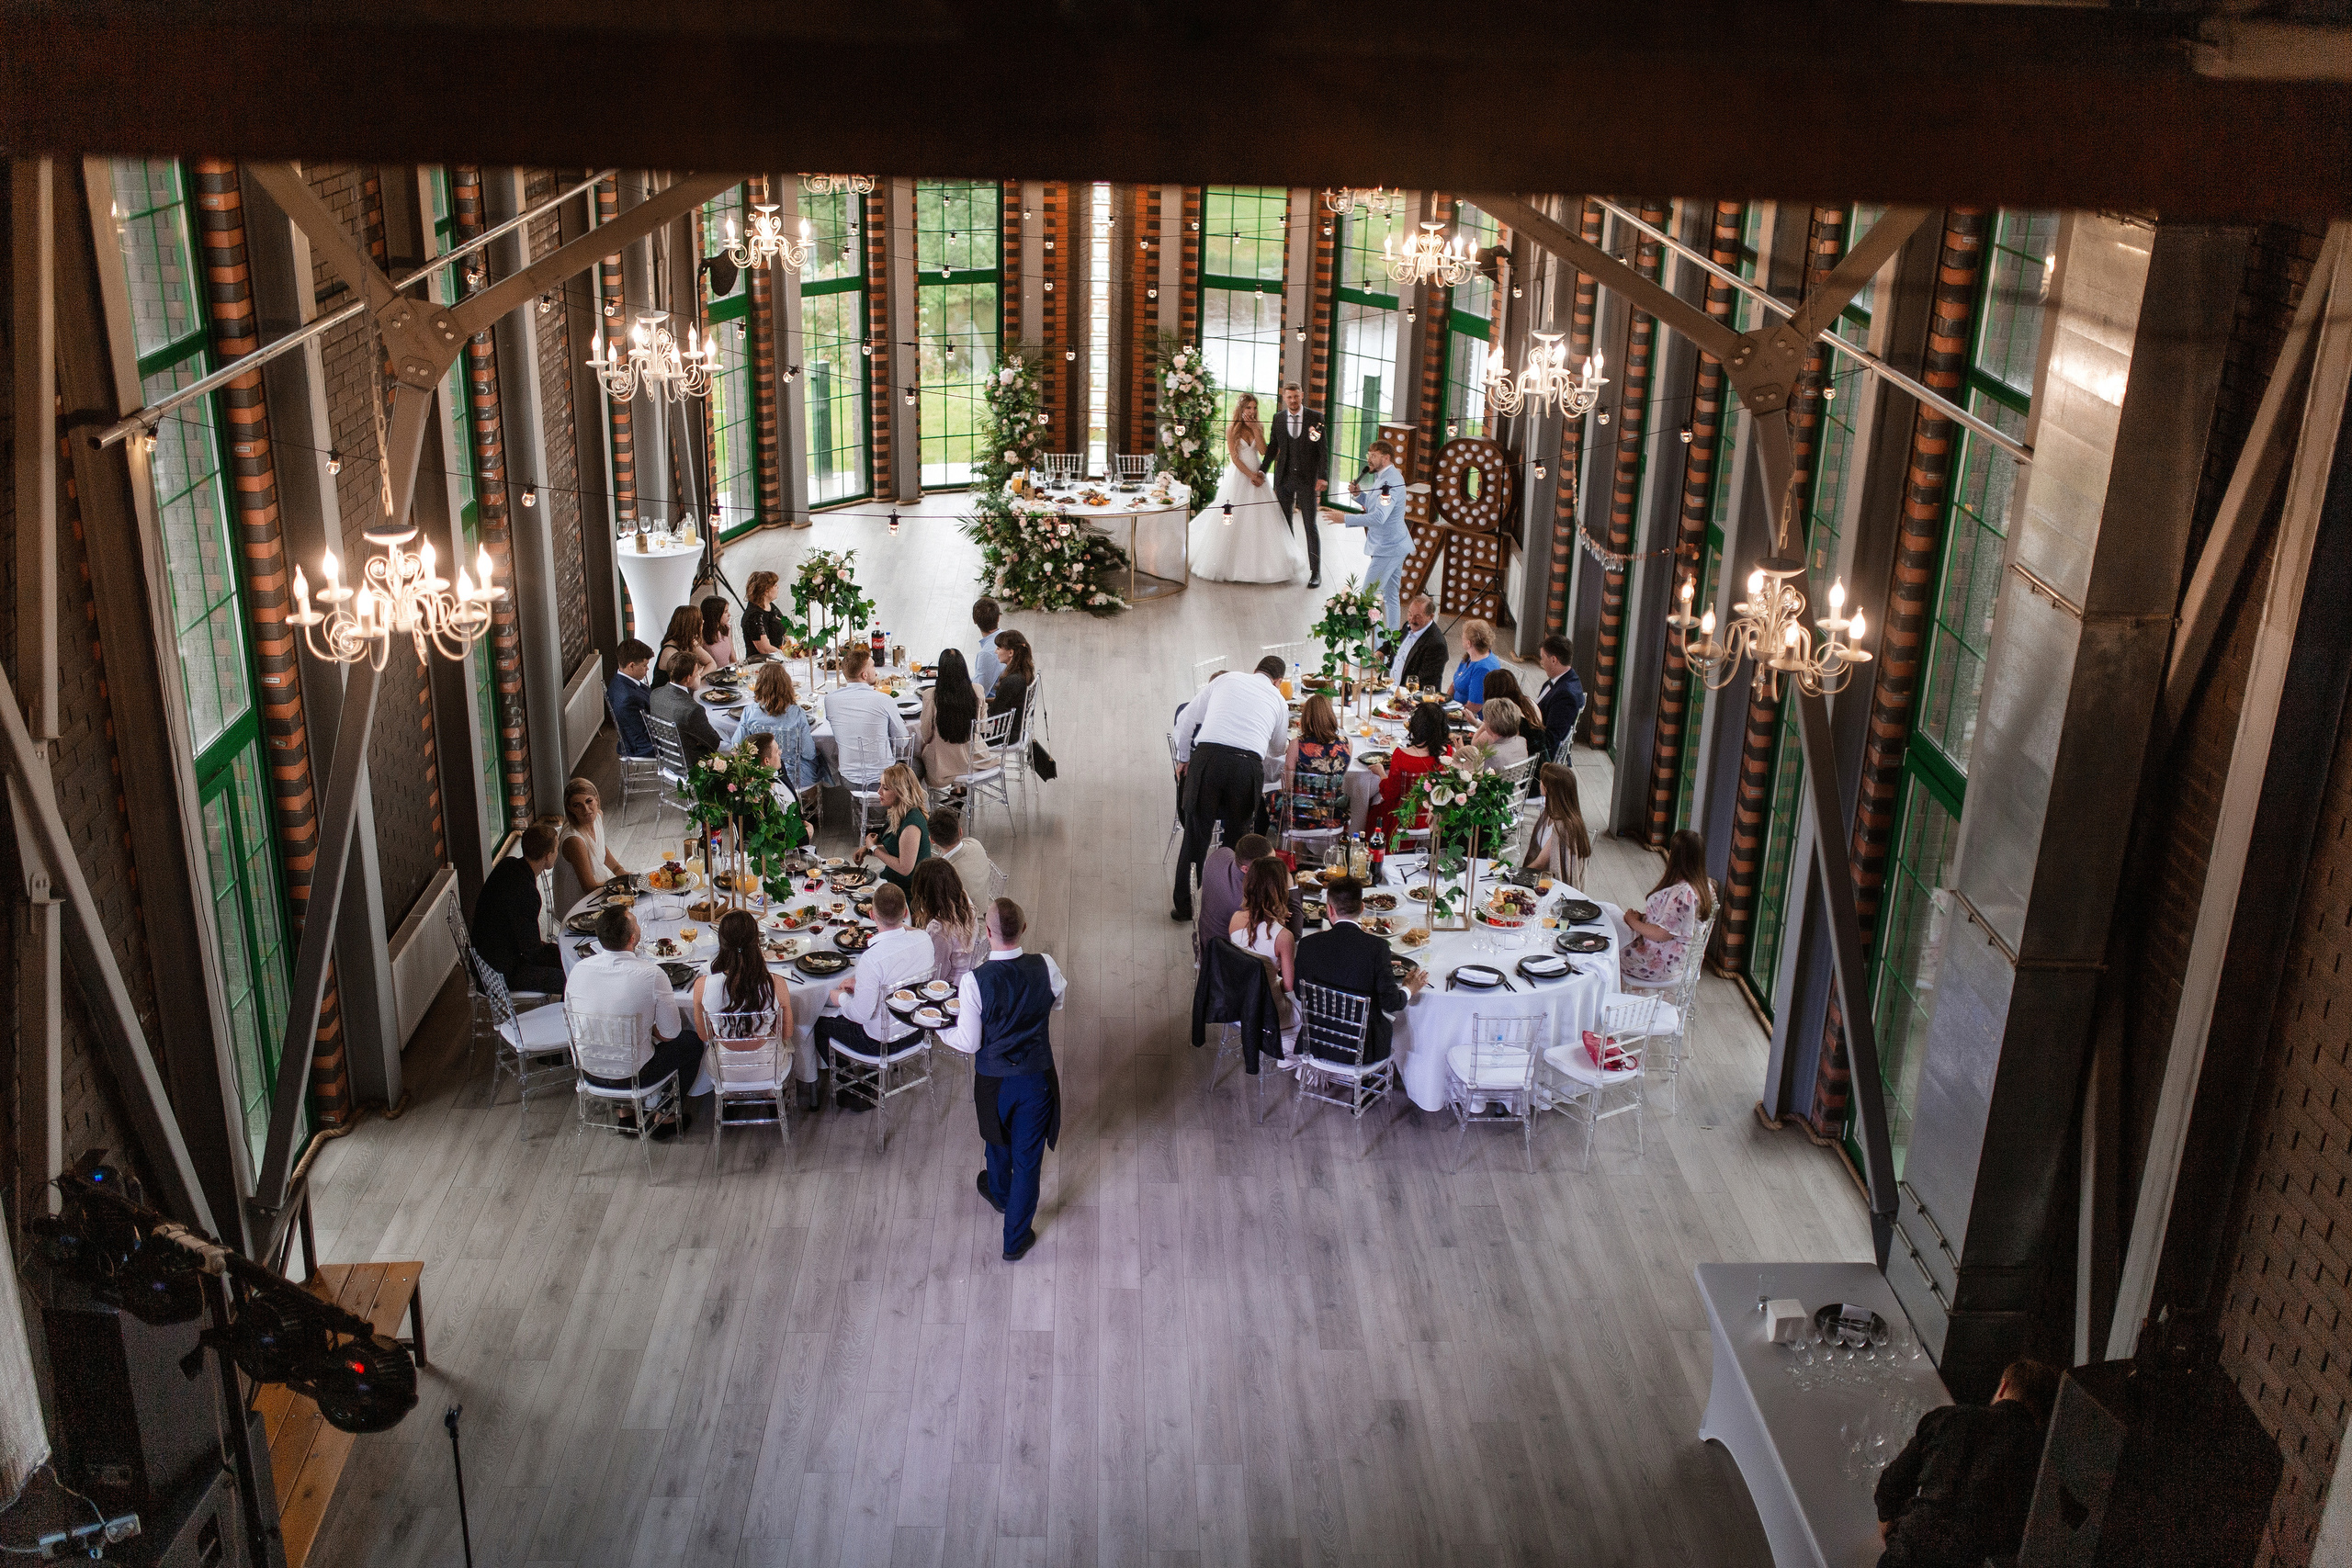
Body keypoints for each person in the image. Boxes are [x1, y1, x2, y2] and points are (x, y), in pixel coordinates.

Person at [942, 897, 1067, 1261]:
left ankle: (999, 1191)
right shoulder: (1046, 965)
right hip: (1035, 1079)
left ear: (987, 931)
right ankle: (1014, 1240)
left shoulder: (974, 981)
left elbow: (969, 1042)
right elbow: (1056, 1002)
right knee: (1028, 1159)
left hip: (993, 1081)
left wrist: (939, 1032)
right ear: (1024, 929)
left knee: (997, 1140)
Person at [1874, 1359, 2061, 1568]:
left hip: (1909, 1554)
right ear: (2044, 1416)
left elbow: (1890, 1487)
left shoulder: (1950, 1417)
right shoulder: (2042, 1465)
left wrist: (1893, 1533)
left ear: (2004, 1386)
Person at [566, 904, 702, 1137]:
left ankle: (625, 1114)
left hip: (587, 1070)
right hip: (634, 1076)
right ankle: (665, 1116)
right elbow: (670, 1034)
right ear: (632, 938)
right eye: (636, 922)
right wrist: (649, 1030)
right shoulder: (651, 974)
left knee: (609, 1036)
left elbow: (574, 1021)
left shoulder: (578, 970)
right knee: (692, 1042)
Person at [1171, 656, 1289, 920]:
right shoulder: (1279, 700)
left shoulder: (1226, 679)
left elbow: (1186, 720)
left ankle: (1184, 907)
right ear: (1278, 681)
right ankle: (1229, 906)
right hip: (1246, 767)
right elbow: (1278, 749)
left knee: (1195, 836)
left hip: (1207, 758)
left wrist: (1183, 758)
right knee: (1237, 842)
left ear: (1254, 669)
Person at [813, 882, 934, 1111]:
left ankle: (853, 1092)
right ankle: (869, 1078)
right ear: (906, 913)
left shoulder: (872, 958)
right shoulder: (924, 939)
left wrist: (839, 998)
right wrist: (861, 985)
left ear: (871, 914)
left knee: (820, 1023)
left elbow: (860, 1014)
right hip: (917, 1031)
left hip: (880, 1044)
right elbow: (900, 975)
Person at [1292, 877, 1424, 1065]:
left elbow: (1299, 993)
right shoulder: (1377, 948)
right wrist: (1409, 988)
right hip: (1363, 1049)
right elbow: (1391, 1003)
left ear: (1330, 909)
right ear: (1362, 908)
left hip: (1317, 1039)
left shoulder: (1307, 944)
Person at [1188, 391, 1307, 585]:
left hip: (1259, 476)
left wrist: (1256, 431)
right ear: (1241, 409)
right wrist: (1252, 475)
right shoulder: (1232, 429)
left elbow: (1263, 451)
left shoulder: (1258, 425)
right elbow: (1235, 458)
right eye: (1248, 408)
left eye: (1254, 408)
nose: (1252, 411)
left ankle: (1263, 566)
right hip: (1241, 476)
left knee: (1262, 520)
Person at [692, 908, 791, 1115]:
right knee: (782, 1044)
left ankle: (729, 1098)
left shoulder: (702, 986)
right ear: (756, 941)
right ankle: (769, 1094)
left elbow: (704, 1035)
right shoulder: (776, 984)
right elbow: (787, 1034)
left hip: (723, 1071)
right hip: (768, 1068)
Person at [472, 823, 568, 995]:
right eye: (556, 849)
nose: (557, 853)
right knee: (570, 978)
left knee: (566, 956)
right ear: (548, 856)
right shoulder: (527, 893)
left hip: (485, 958)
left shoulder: (508, 864)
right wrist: (561, 954)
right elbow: (532, 953)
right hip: (500, 973)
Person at [1623, 828, 1715, 985]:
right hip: (1674, 958)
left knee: (1606, 952)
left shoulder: (1683, 894)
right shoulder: (1705, 886)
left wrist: (1633, 922)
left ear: (1675, 856)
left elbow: (1663, 933)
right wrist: (1644, 918)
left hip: (1659, 961)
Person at [1266, 380, 1329, 588]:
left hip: (1307, 480)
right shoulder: (1278, 419)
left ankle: (1315, 572)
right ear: (1284, 398)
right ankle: (1289, 565)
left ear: (1302, 395)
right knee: (1285, 524)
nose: (1293, 401)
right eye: (1289, 397)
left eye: (1296, 396)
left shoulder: (1315, 417)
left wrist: (1322, 476)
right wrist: (1261, 471)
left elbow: (1322, 451)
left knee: (1310, 525)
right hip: (1284, 479)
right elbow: (1272, 447)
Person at [1342, 439, 1410, 628]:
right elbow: (1376, 506)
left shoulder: (1390, 481)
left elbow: (1379, 517)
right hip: (1394, 544)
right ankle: (1392, 643)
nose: (1369, 459)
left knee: (1368, 597)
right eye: (1368, 455)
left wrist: (1345, 518)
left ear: (1386, 457)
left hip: (1388, 547)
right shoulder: (1382, 477)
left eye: (1374, 456)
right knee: (1390, 596)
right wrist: (1359, 495)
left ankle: (1376, 647)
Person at [824, 645, 908, 790]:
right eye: (873, 667)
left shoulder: (829, 700)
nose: (876, 671)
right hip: (884, 779)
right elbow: (902, 742)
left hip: (848, 779)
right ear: (864, 675)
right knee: (917, 766)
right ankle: (891, 809)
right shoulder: (884, 700)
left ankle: (864, 810)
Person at [1364, 702, 1452, 838]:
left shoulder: (1402, 755)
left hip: (1404, 819)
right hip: (1435, 819)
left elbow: (1389, 794)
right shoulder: (1448, 753)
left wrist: (1381, 773)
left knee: (1370, 805)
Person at [733, 660, 822, 794]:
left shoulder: (749, 713)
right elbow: (808, 753)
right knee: (822, 763)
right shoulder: (797, 713)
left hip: (760, 775)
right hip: (794, 776)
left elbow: (736, 747)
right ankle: (802, 806)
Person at [1228, 855, 1298, 1017]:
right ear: (1281, 891)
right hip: (1268, 1011)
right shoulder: (1284, 937)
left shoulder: (1236, 919)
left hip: (1238, 1003)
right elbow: (1288, 986)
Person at [554, 777, 629, 916]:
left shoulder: (598, 817)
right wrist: (621, 883)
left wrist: (620, 871)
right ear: (570, 809)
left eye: (589, 801)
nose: (586, 809)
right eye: (577, 805)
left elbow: (600, 848)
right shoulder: (575, 840)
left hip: (599, 888)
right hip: (580, 904)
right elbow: (588, 887)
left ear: (596, 799)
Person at [910, 856, 986, 991]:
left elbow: (938, 972)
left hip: (952, 987)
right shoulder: (963, 899)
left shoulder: (938, 927)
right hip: (971, 973)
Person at [1194, 830, 1270, 965]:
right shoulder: (1243, 900)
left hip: (1204, 937)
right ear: (1246, 869)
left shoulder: (1221, 853)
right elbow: (1290, 933)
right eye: (1269, 865)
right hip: (1224, 958)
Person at [918, 647, 985, 787]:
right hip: (974, 760)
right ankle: (958, 791)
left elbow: (925, 733)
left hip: (942, 766)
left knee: (917, 755)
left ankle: (955, 792)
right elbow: (982, 727)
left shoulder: (931, 695)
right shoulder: (978, 690)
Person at [650, 648, 725, 771]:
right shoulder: (693, 710)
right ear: (688, 678)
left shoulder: (655, 694)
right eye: (697, 672)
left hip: (667, 759)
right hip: (690, 766)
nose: (699, 675)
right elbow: (714, 742)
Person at [1284, 693, 1351, 830]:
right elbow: (1341, 776)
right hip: (1335, 812)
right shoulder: (1347, 743)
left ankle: (1295, 848)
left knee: (1270, 798)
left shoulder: (1296, 745)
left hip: (1303, 813)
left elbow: (1288, 786)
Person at [861, 761, 931, 893]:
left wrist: (874, 849)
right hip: (892, 879)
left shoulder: (911, 824)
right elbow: (898, 849)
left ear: (900, 792)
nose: (879, 791)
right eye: (880, 786)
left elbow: (905, 869)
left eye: (885, 788)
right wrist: (866, 850)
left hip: (907, 891)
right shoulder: (898, 812)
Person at [1524, 763, 1593, 887]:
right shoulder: (1549, 814)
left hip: (1549, 885)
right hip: (1540, 878)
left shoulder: (1564, 827)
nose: (1540, 782)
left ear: (1549, 788)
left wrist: (1514, 876)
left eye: (1543, 781)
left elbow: (1540, 864)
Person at [1477, 669, 1548, 765]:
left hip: (1523, 771)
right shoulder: (1529, 702)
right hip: (1541, 760)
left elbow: (1476, 744)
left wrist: (1487, 718)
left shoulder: (1507, 717)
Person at [931, 807, 995, 911]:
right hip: (984, 906)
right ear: (960, 831)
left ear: (932, 840)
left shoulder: (946, 874)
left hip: (969, 922)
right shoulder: (974, 843)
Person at [1385, 592, 1447, 694]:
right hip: (1390, 687)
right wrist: (1381, 651)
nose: (1412, 620)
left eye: (1418, 616)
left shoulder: (1436, 645)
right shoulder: (1408, 625)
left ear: (1431, 616)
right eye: (1410, 614)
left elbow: (1425, 682)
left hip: (1408, 696)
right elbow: (1395, 640)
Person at [1534, 634, 1584, 755]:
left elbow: (1550, 740)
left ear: (1553, 660)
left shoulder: (1565, 696)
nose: (1541, 663)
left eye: (1542, 658)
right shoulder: (1564, 679)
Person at [607, 638, 656, 758]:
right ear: (632, 666)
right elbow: (645, 732)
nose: (647, 669)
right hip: (644, 747)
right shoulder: (628, 699)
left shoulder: (617, 680)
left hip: (638, 739)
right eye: (645, 665)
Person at [652, 604, 714, 689]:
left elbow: (712, 664)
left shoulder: (689, 642)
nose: (703, 622)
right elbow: (694, 685)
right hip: (666, 699)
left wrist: (698, 675)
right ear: (692, 625)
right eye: (699, 620)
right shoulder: (670, 652)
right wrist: (698, 674)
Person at [1450, 618, 1502, 708]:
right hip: (1455, 706)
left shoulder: (1482, 669)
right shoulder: (1469, 657)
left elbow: (1474, 706)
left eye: (1463, 637)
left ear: (1469, 643)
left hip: (1470, 717)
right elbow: (1455, 682)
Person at [989, 629, 1035, 729]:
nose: (995, 652)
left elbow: (995, 713)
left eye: (998, 648)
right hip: (1017, 727)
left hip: (1005, 734)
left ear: (1010, 652)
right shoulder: (1026, 672)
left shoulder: (1011, 681)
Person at [740, 570, 790, 660]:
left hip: (778, 656)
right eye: (775, 586)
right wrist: (786, 655)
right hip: (763, 662)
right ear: (766, 591)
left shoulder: (770, 606)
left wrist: (791, 647)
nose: (778, 587)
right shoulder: (754, 616)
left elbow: (784, 626)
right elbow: (765, 649)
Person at [1472, 697, 1529, 774]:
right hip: (1516, 784)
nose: (1484, 721)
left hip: (1496, 785)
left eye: (1486, 719)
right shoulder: (1522, 741)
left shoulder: (1491, 754)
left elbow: (1474, 775)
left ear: (1492, 725)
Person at [972, 597, 1004, 697]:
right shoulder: (1007, 637)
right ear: (998, 617)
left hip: (991, 706)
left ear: (974, 621)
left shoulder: (987, 654)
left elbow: (979, 693)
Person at [698, 594, 736, 669]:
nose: (729, 614)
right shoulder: (701, 636)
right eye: (725, 612)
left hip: (728, 674)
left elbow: (733, 659)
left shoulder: (726, 629)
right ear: (715, 614)